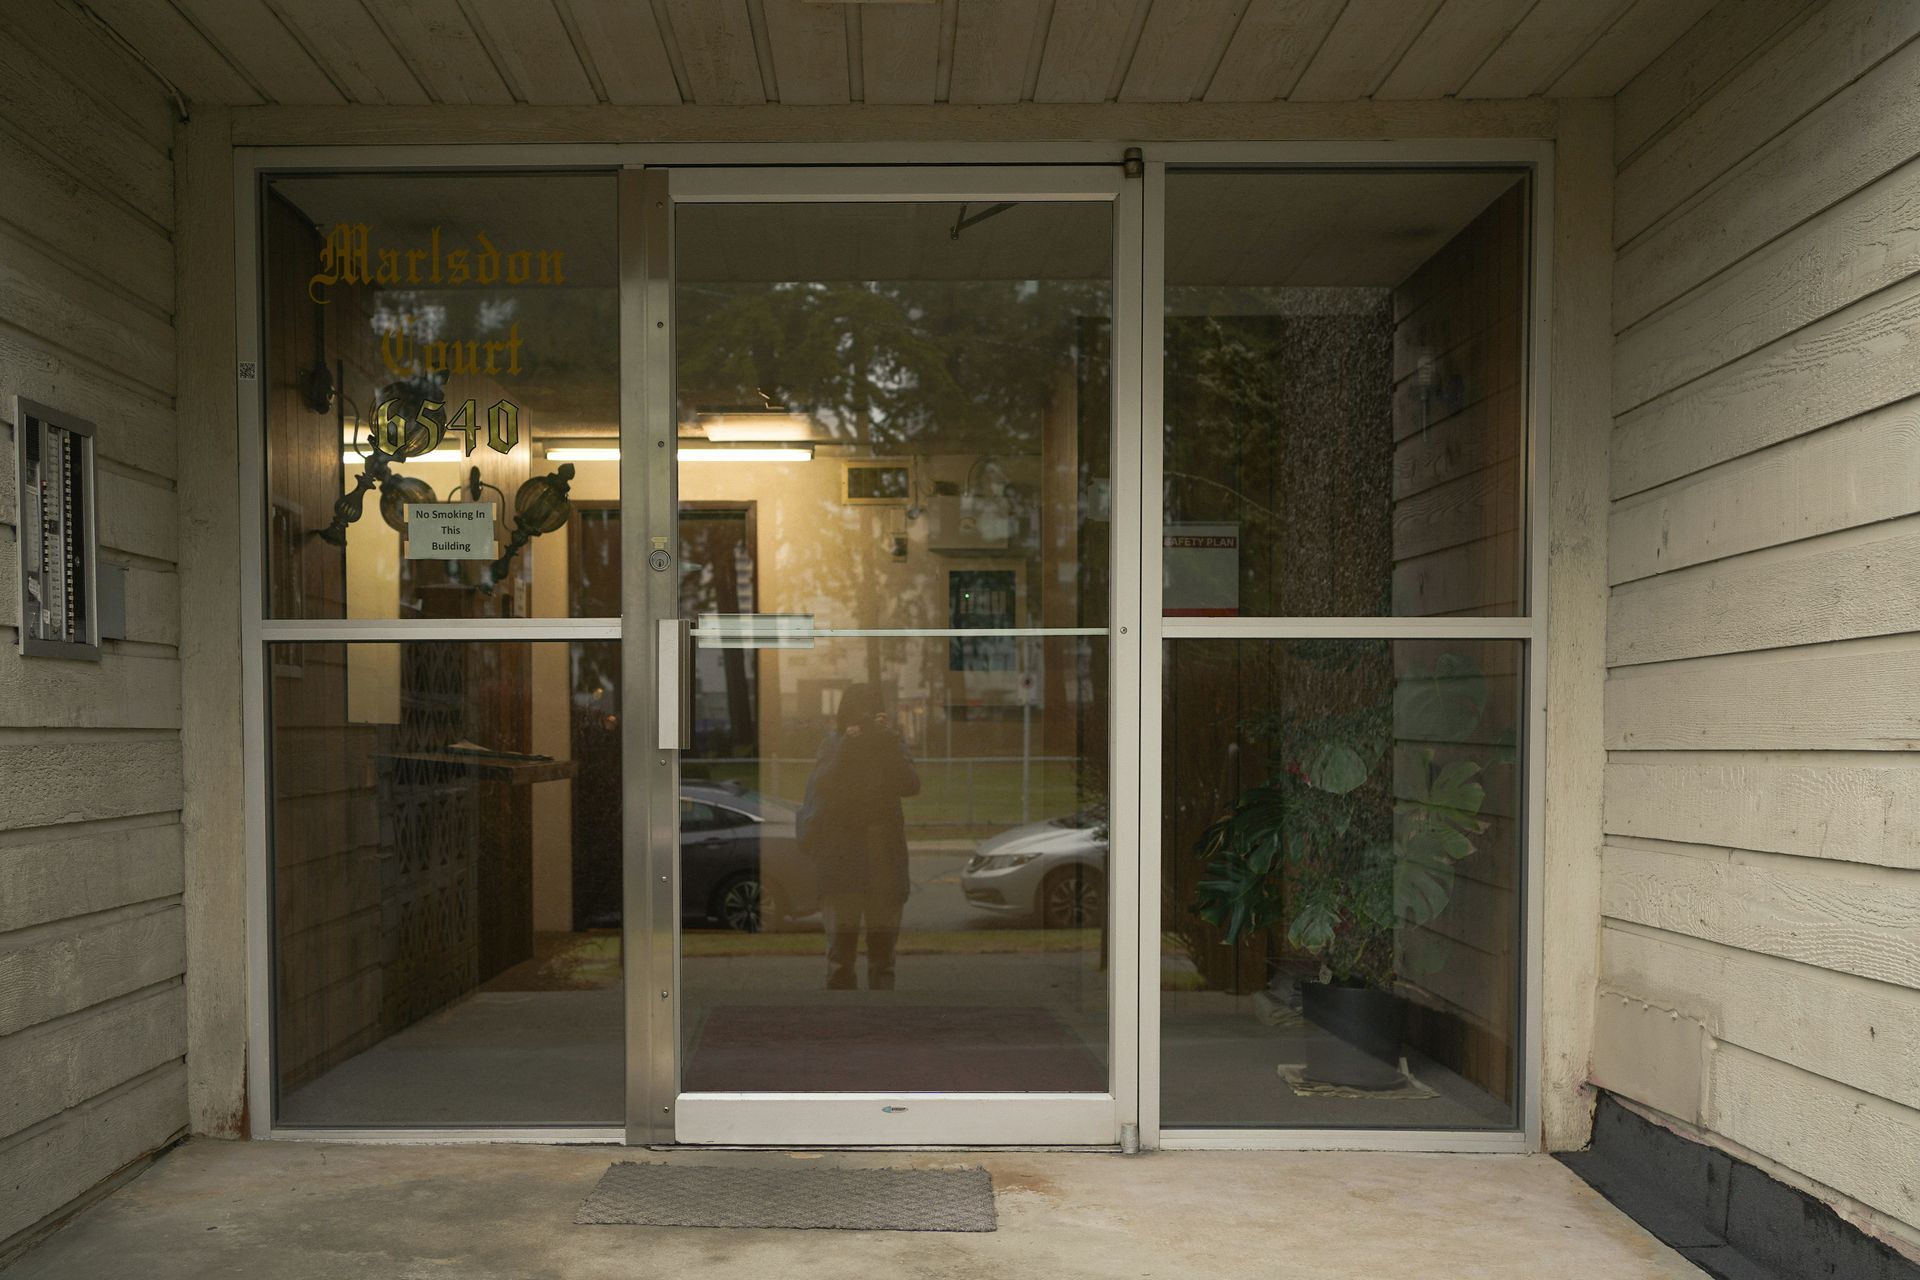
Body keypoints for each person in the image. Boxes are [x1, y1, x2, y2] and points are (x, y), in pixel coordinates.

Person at [798, 683, 921, 990]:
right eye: (858, 712)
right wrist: (846, 749)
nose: (863, 721)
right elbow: (821, 786)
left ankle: (880, 1023)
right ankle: (843, 1024)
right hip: (841, 854)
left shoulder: (890, 744)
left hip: (883, 852)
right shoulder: (834, 744)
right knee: (841, 954)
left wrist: (889, 745)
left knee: (883, 957)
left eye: (871, 712)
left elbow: (911, 785)